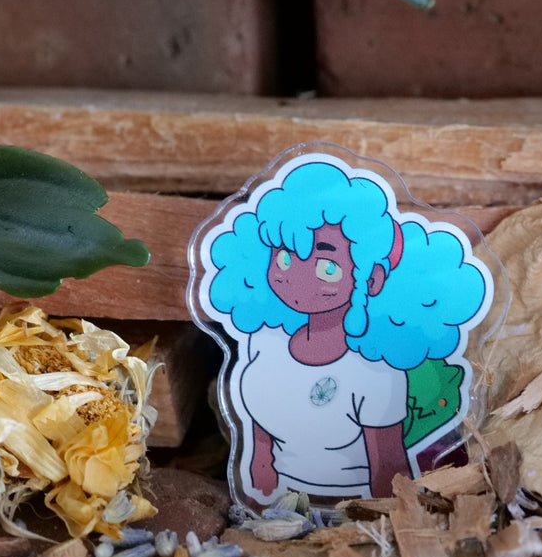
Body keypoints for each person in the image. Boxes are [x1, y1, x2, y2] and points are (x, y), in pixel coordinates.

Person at [203, 156, 490, 500]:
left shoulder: (376, 375)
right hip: (280, 506)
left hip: (348, 509)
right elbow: (258, 415)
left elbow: (388, 468)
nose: (295, 277)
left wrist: (381, 522)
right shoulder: (264, 341)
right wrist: (258, 478)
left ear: (372, 278)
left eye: (326, 267)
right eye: (284, 257)